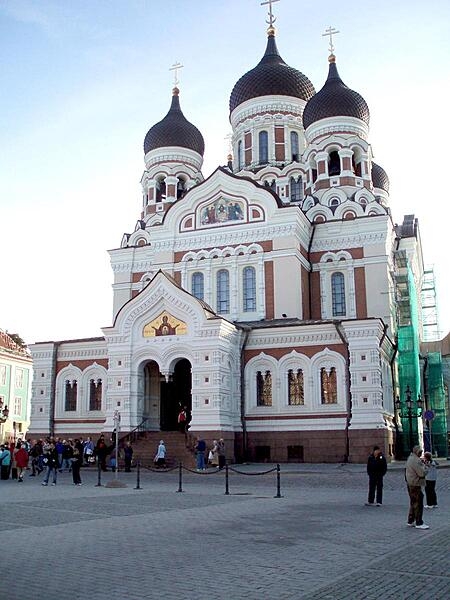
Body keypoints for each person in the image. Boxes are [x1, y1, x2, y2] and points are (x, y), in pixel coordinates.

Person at [405, 445, 429, 529]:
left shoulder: (410, 458)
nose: (421, 453)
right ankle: (419, 522)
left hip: (411, 483)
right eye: (420, 452)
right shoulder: (416, 460)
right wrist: (426, 468)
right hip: (415, 483)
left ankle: (411, 520)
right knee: (418, 503)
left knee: (413, 502)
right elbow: (421, 473)